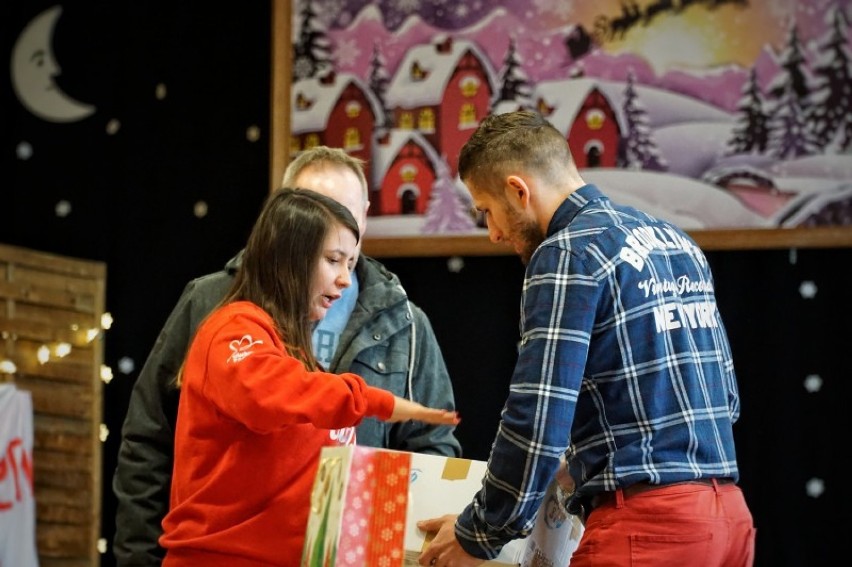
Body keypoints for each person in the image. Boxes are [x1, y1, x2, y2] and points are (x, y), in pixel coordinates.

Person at [417, 110, 755, 567]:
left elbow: (535, 422)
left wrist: (478, 534)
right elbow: (726, 400)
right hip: (731, 521)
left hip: (648, 531)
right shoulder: (676, 242)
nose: (493, 233)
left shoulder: (566, 252)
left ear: (519, 190)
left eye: (487, 212)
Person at [112, 146, 462, 565]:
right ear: (282, 222)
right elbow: (151, 435)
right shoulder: (219, 308)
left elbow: (430, 450)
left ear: (364, 216)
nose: (324, 228)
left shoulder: (404, 320)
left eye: (343, 218)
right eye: (307, 213)